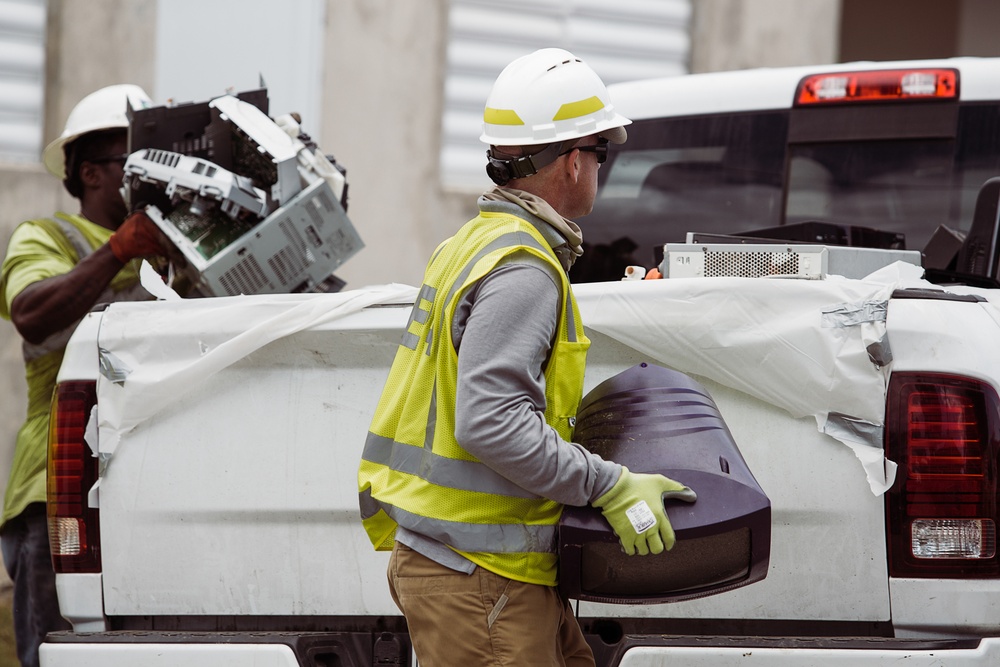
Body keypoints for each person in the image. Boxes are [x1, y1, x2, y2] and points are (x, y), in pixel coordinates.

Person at [358, 49, 697, 666]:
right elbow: (490, 421)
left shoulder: (474, 243)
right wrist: (610, 485)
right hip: (478, 576)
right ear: (572, 162)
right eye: (601, 152)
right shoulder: (525, 269)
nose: (599, 166)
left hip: (479, 568)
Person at [0, 84, 171, 667]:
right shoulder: (47, 237)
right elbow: (31, 314)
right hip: (60, 492)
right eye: (133, 163)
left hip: (152, 492)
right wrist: (120, 250)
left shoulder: (176, 250)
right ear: (90, 173)